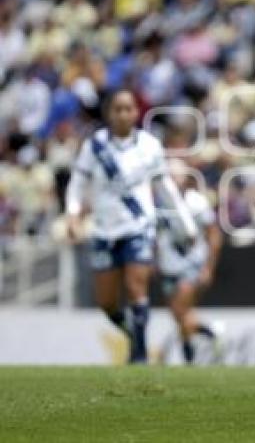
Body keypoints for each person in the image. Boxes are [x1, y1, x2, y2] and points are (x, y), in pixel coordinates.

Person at [65, 89, 197, 363]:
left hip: (138, 226)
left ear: (136, 113)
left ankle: (138, 355)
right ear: (109, 113)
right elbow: (78, 183)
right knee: (107, 302)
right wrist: (73, 213)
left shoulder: (149, 145)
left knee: (137, 287)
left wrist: (186, 224)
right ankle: (133, 335)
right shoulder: (95, 146)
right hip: (104, 230)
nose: (124, 114)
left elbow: (165, 188)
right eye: (118, 109)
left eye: (129, 108)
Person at [156, 158, 223, 365]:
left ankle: (204, 339)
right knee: (178, 316)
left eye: (178, 175)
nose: (175, 180)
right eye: (171, 175)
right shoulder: (158, 203)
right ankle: (198, 344)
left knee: (181, 310)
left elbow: (214, 235)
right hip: (168, 266)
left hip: (191, 264)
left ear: (186, 178)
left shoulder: (197, 202)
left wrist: (208, 267)